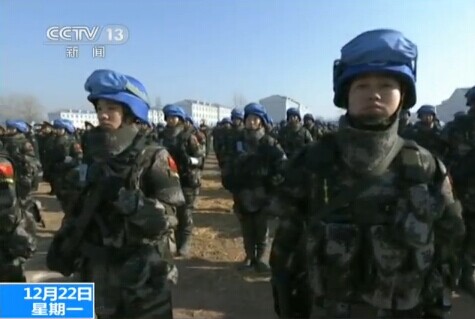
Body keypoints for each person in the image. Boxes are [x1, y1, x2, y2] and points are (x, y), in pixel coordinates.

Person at [269, 29, 465, 318]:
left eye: (386, 85)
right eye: (361, 86)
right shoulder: (312, 162)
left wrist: (437, 303)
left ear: (403, 96)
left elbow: (449, 244)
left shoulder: (426, 168)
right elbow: (286, 244)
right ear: (345, 94)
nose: (374, 93)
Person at [47, 69, 185, 319]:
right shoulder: (90, 155)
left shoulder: (154, 156)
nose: (102, 114)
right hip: (97, 272)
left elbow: (167, 218)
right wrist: (67, 239)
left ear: (131, 112)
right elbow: (78, 208)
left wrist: (123, 197)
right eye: (99, 107)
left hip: (142, 275)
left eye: (111, 107)